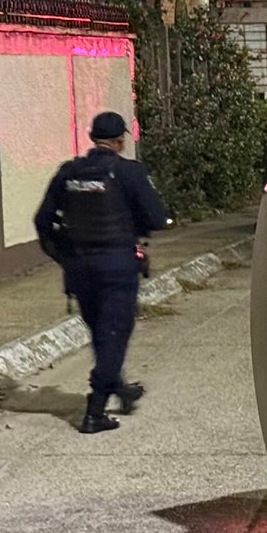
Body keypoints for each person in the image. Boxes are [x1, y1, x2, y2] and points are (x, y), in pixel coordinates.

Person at [34, 111, 171, 434]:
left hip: (79, 269)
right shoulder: (127, 172)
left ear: (93, 137)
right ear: (120, 141)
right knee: (115, 334)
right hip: (117, 267)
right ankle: (95, 410)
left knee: (101, 332)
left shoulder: (68, 173)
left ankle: (119, 386)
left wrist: (62, 255)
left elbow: (42, 221)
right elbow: (157, 217)